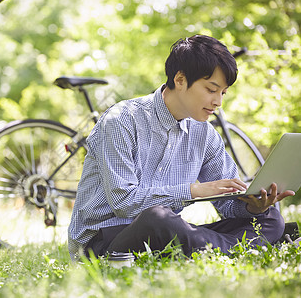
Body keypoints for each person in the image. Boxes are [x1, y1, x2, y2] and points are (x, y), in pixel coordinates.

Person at [67, 34, 295, 260]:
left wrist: (254, 206)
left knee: (270, 218)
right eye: (211, 89)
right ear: (180, 80)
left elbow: (228, 202)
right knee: (157, 219)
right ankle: (246, 246)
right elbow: (124, 204)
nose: (218, 102)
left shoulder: (204, 134)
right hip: (102, 241)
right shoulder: (121, 121)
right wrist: (193, 190)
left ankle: (220, 247)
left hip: (164, 234)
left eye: (223, 93)